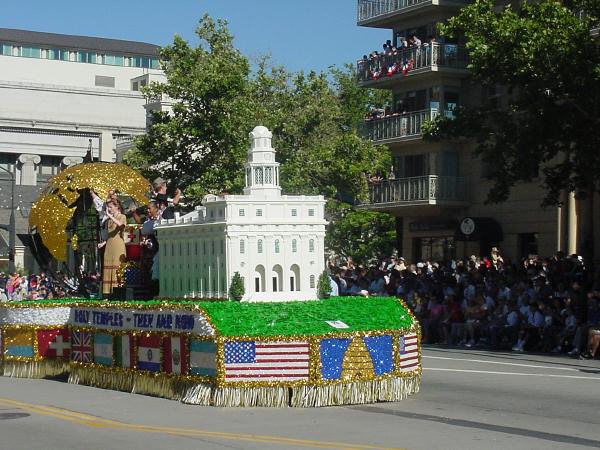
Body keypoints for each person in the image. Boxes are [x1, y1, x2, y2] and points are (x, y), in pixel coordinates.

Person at [101, 199, 126, 296]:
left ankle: (117, 291)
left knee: (117, 267)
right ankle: (107, 292)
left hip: (118, 245)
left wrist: (110, 216)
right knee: (108, 266)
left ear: (117, 207)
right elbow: (110, 234)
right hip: (109, 245)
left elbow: (121, 226)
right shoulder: (109, 221)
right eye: (108, 207)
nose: (109, 209)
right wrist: (103, 243)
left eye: (111, 207)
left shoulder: (122, 216)